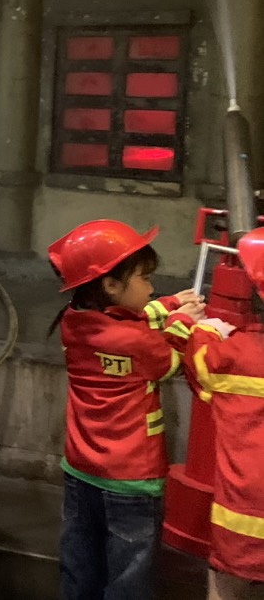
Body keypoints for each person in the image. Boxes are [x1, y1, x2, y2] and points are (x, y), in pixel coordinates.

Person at [49, 220, 204, 600]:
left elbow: (126, 319)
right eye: (145, 279)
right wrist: (183, 322)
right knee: (129, 577)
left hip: (81, 471)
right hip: (133, 479)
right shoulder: (136, 342)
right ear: (111, 285)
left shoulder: (73, 321)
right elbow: (167, 361)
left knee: (81, 566)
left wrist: (169, 305)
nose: (151, 288)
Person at [193, 227, 264, 600]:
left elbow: (200, 367)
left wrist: (204, 330)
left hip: (240, 516)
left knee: (224, 586)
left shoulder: (233, 355)